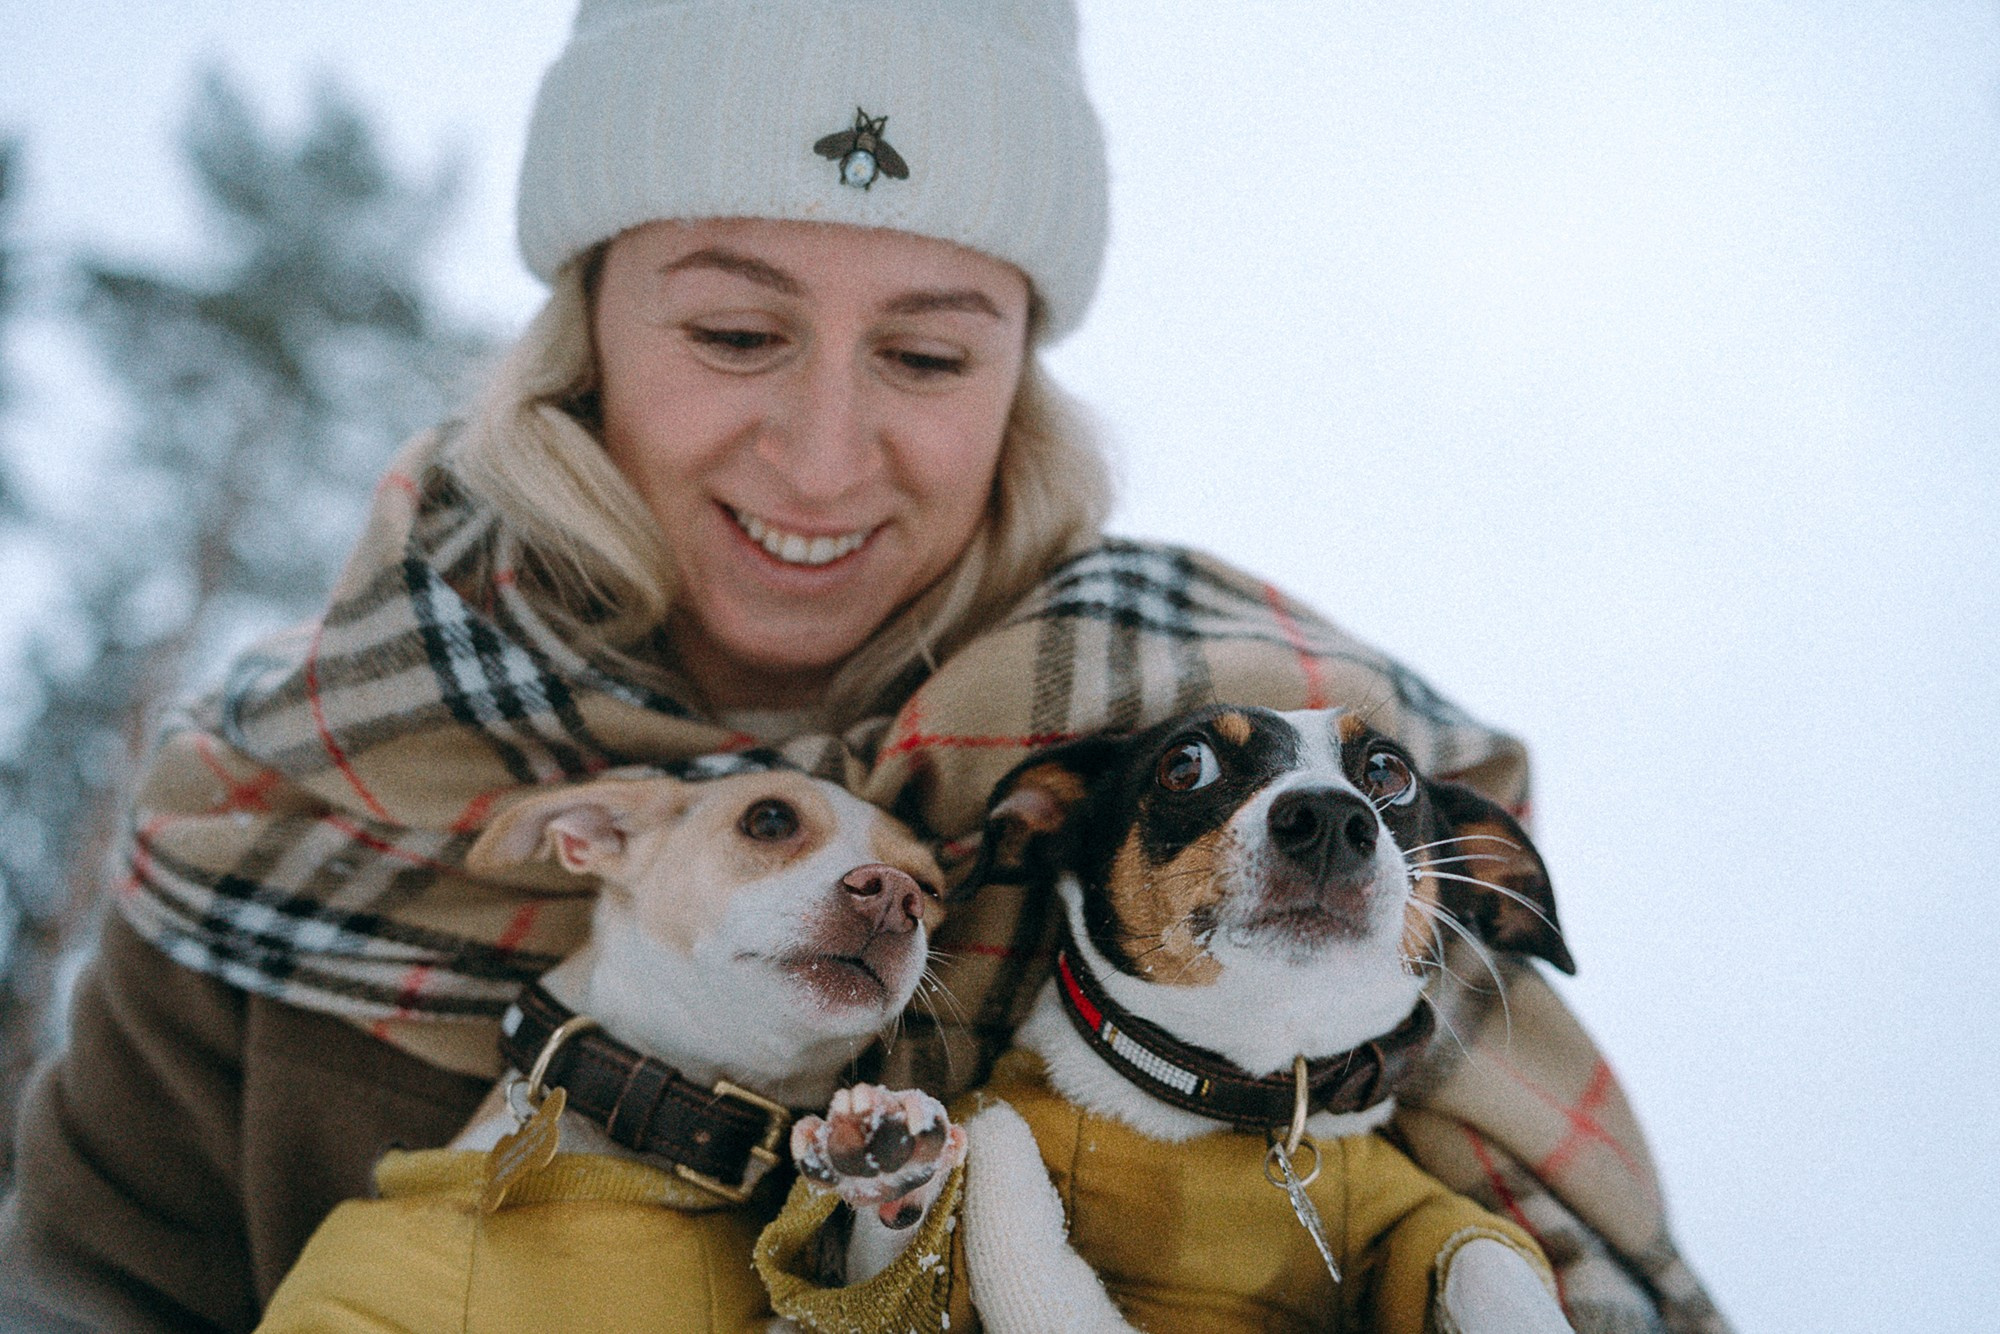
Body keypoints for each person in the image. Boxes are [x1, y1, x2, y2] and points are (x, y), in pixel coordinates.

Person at [0, 2, 1730, 1332]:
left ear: (1020, 374)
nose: (824, 460)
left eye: (923, 351)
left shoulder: (1212, 780)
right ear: (587, 315)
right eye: (735, 331)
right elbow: (89, 1285)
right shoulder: (296, 780)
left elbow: (1527, 1256)